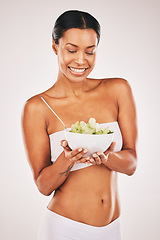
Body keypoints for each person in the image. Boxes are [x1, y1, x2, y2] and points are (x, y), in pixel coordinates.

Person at [22, 9, 137, 240]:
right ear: (55, 46)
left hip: (112, 227)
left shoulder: (118, 90)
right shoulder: (37, 107)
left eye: (90, 51)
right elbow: (43, 186)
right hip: (64, 228)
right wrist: (68, 158)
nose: (81, 61)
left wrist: (107, 157)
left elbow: (131, 164)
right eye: (71, 50)